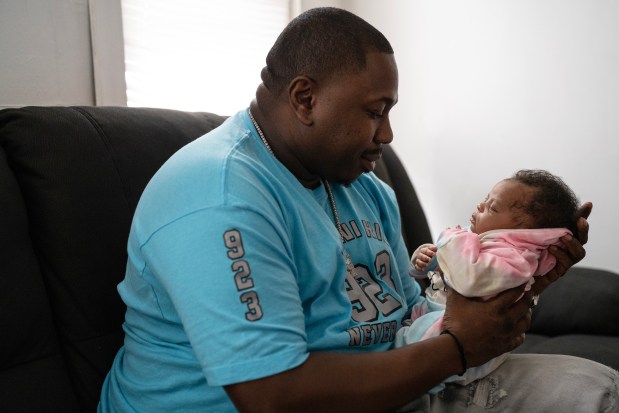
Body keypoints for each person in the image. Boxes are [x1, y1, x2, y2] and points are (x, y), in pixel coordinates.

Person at [97, 7, 617, 413]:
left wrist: (513, 280)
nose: (387, 136)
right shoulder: (221, 196)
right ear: (305, 99)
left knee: (600, 391)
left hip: (398, 389)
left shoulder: (364, 187)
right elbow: (272, 398)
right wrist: (460, 348)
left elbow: (410, 316)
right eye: (375, 111)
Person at [396, 169, 581, 393]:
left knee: (399, 348)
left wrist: (450, 239)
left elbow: (469, 279)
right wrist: (425, 261)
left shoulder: (514, 257)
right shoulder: (481, 239)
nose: (479, 207)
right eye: (485, 200)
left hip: (463, 345)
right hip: (433, 315)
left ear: (521, 230)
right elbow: (439, 273)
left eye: (492, 208)